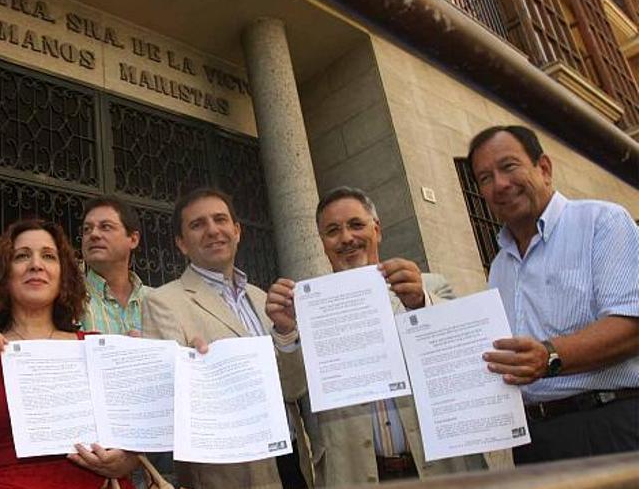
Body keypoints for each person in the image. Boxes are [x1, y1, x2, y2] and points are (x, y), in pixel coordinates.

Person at [265, 187, 509, 487]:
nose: (346, 238)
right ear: (323, 243)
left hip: (441, 470)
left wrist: (420, 304)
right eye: (332, 231)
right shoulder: (308, 310)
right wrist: (287, 332)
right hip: (353, 475)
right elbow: (291, 391)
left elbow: (463, 362)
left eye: (356, 225)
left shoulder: (430, 287)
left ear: (376, 230)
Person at [468, 125, 639, 464]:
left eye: (509, 166)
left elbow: (631, 325)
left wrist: (549, 356)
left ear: (543, 168)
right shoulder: (500, 265)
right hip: (536, 441)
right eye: (485, 178)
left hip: (608, 424)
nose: (499, 184)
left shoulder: (602, 222)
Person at [0, 219, 139, 488]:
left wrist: (125, 461)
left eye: (49, 256)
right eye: (22, 256)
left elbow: (133, 448)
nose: (36, 264)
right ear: (3, 273)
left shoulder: (97, 348)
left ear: (64, 275)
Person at [141, 187, 305, 489]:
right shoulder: (163, 301)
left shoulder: (262, 298)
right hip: (228, 473)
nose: (213, 230)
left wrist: (285, 332)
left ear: (237, 231)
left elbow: (293, 389)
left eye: (220, 219)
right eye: (198, 224)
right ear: (181, 243)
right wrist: (197, 371)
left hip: (292, 459)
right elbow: (172, 403)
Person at [79, 196, 148, 336]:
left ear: (133, 239)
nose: (94, 234)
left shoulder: (159, 302)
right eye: (87, 229)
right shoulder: (68, 301)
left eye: (106, 227)